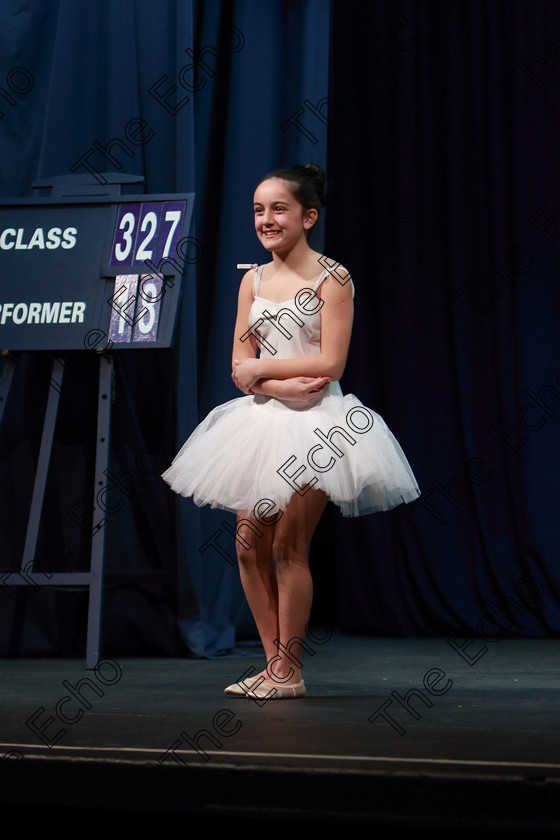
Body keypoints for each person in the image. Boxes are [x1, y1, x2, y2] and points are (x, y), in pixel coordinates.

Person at [162, 163, 420, 700]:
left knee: (288, 545)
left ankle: (289, 670)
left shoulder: (333, 278)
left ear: (308, 216)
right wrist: (270, 384)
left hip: (318, 425)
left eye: (278, 209)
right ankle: (271, 663)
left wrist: (261, 373)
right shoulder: (251, 280)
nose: (266, 219)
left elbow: (330, 361)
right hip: (262, 419)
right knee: (247, 546)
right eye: (258, 209)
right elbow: (240, 363)